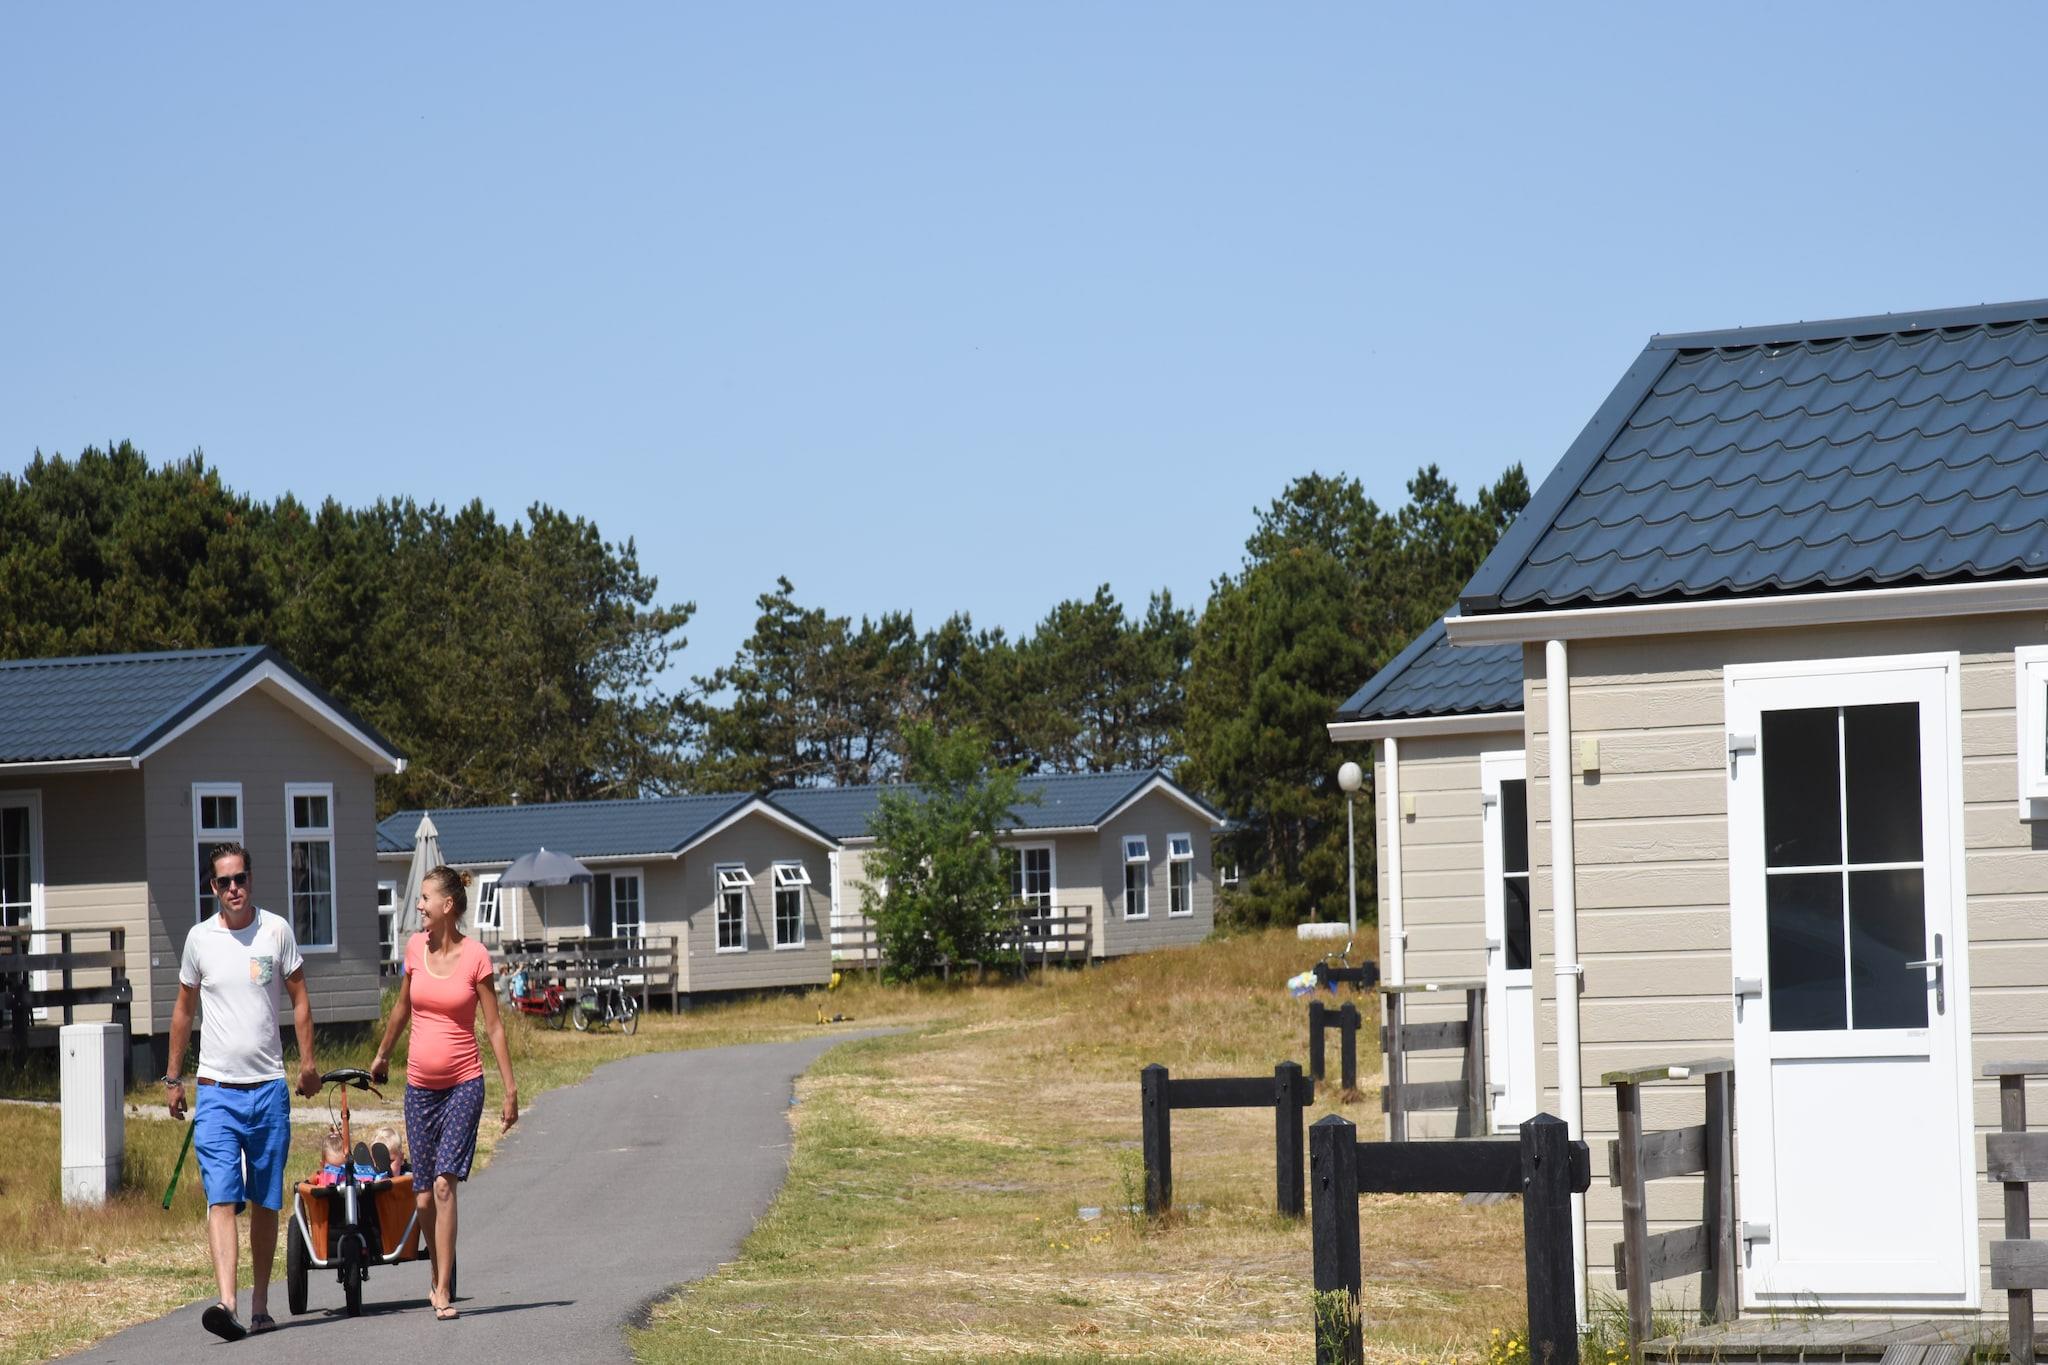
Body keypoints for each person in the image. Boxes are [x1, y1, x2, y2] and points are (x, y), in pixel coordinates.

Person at [164, 843, 322, 1342]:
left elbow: (300, 997)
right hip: (216, 1091)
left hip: (269, 1088)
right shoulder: (199, 940)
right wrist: (173, 1078)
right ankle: (227, 1303)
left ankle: (259, 1305)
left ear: (250, 879)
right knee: (222, 1197)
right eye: (224, 881)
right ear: (212, 887)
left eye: (240, 878)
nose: (234, 888)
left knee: (265, 1201)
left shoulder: (275, 931)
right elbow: (183, 1010)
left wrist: (308, 1064)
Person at [369, 866, 518, 1320]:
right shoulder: (415, 949)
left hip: (463, 1086)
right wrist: (382, 1055)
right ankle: (438, 1270)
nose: (418, 905)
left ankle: (443, 1290)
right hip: (419, 1089)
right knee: (421, 1197)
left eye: (425, 898)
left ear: (447, 905)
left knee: (442, 1184)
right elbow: (401, 1008)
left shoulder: (476, 957)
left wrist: (510, 1090)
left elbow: (493, 1026)